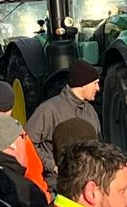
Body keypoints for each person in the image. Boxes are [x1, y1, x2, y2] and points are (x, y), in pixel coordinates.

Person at [25, 60, 101, 189]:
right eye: (95, 83)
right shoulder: (48, 110)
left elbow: (99, 145)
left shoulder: (91, 112)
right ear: (82, 85)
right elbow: (27, 142)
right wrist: (52, 166)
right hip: (58, 185)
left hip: (89, 184)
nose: (98, 88)